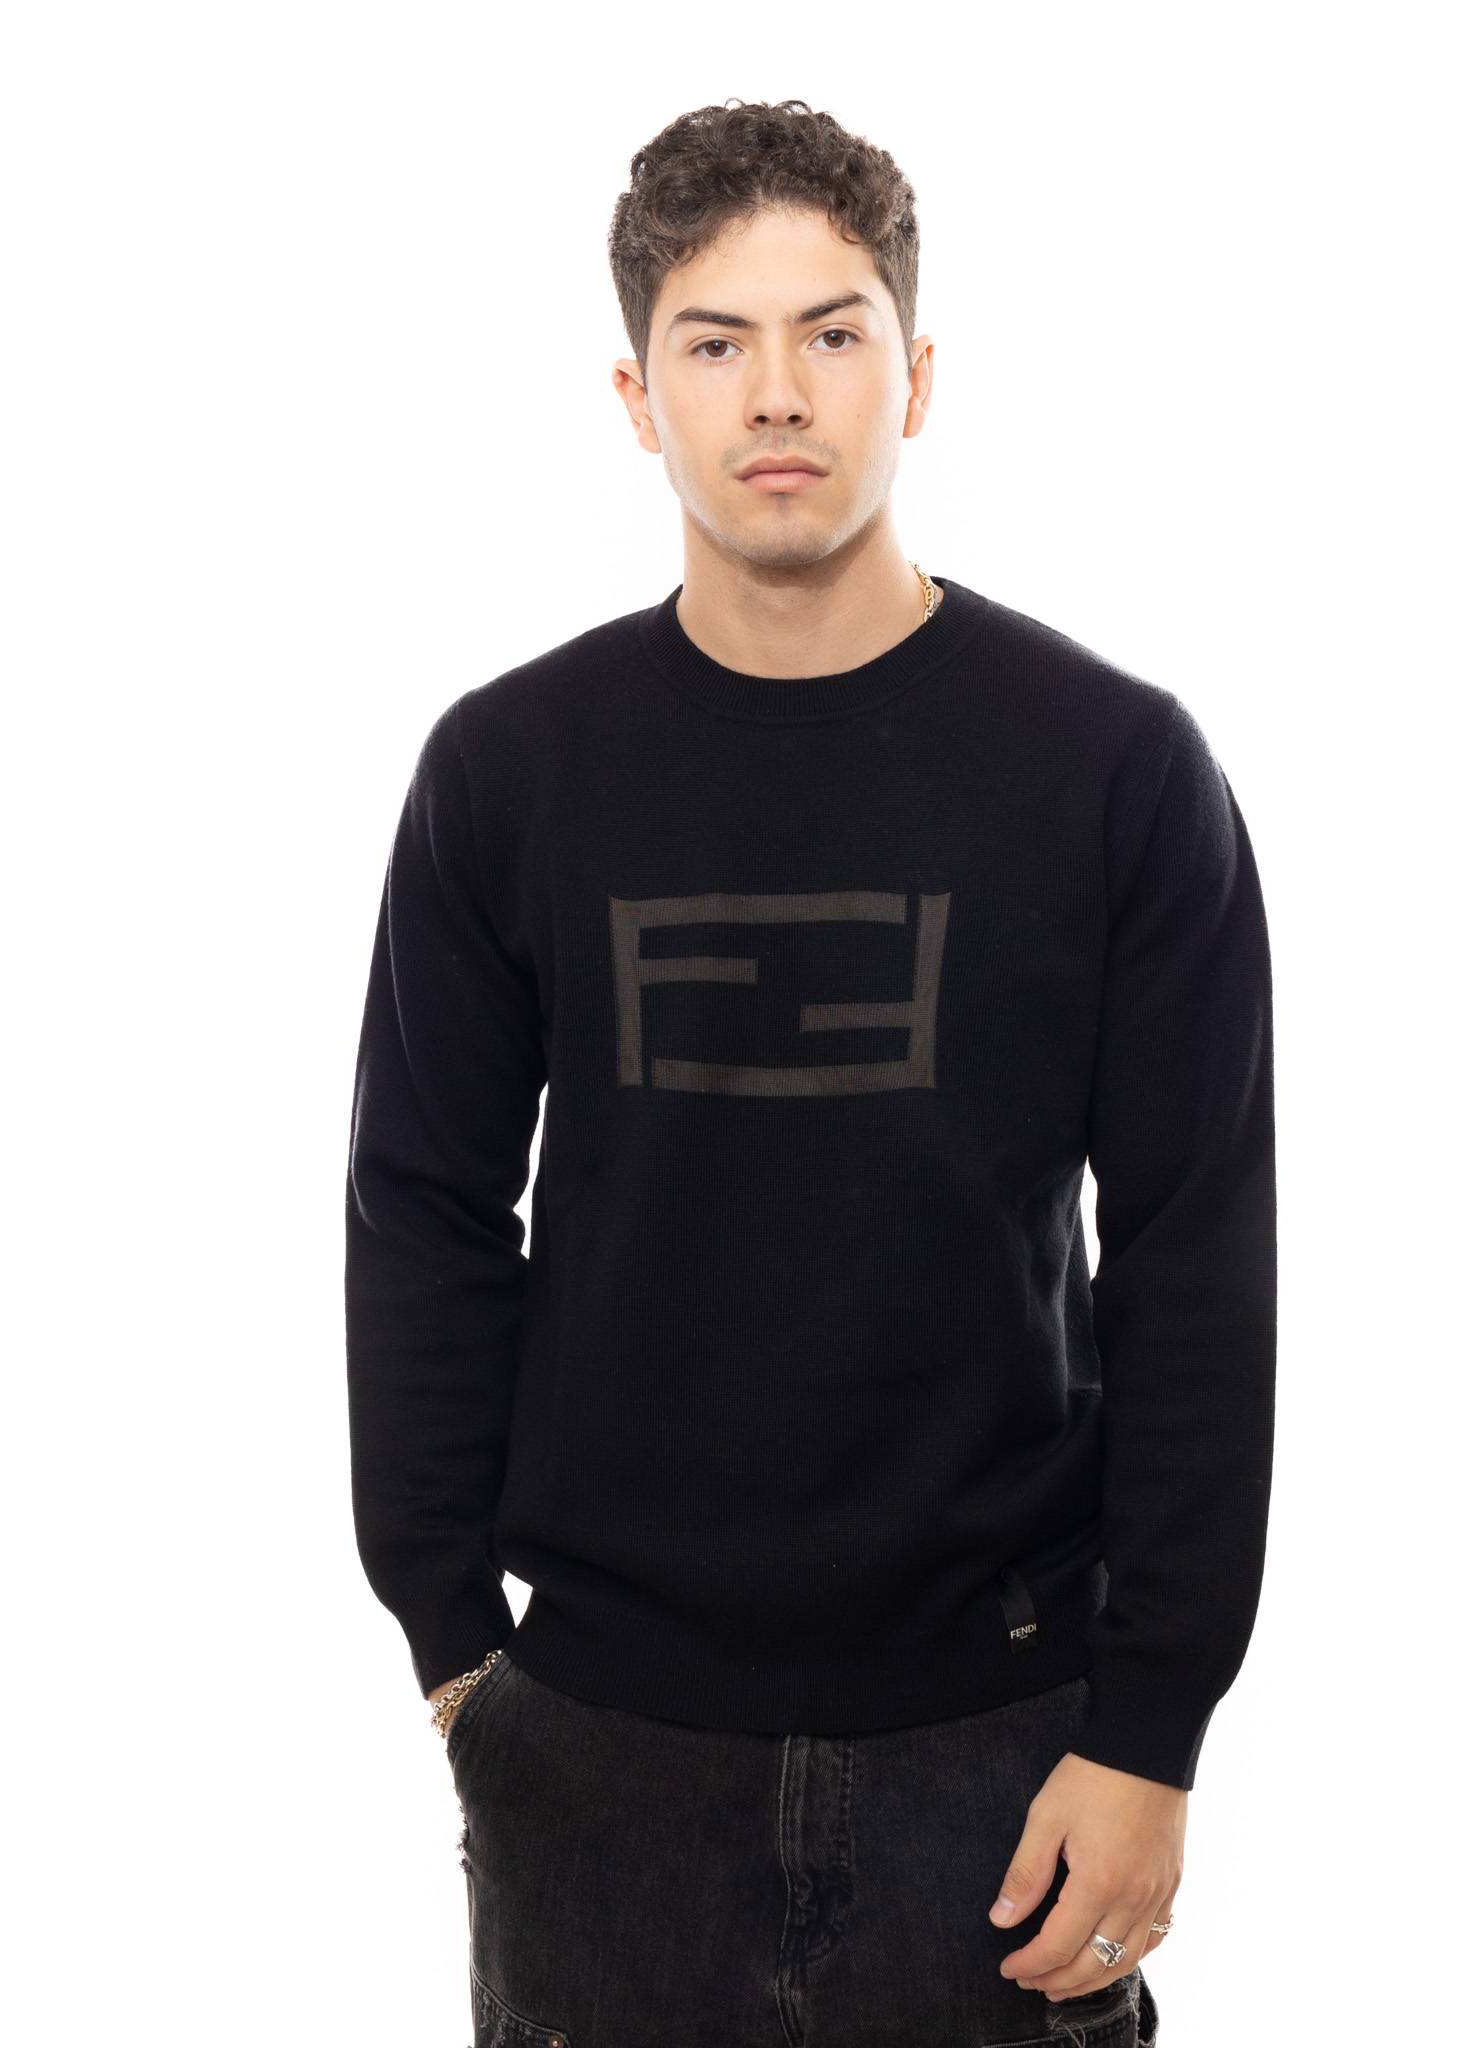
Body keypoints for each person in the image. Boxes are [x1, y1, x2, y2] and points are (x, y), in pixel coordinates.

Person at [345, 97, 1276, 2048]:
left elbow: (1195, 1252)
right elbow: (421, 1213)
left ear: (914, 375)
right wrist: (453, 1646)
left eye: (832, 332)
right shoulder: (508, 773)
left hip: (1004, 1757)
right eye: (717, 341)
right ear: (637, 396)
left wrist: (1152, 1724)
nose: (778, 391)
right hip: (601, 1751)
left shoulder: (1113, 774)